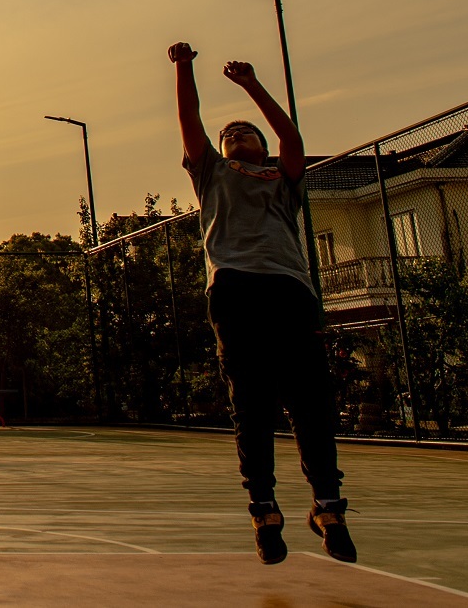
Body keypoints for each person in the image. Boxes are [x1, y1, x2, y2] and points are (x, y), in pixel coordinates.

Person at [168, 42, 354, 565]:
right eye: (231, 135)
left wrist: (252, 85)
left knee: (309, 401)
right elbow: (189, 120)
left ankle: (327, 503)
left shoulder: (281, 177)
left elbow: (291, 137)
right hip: (234, 287)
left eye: (246, 132)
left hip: (289, 289)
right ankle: (264, 506)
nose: (238, 136)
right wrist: (184, 68)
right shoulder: (212, 174)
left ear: (261, 146)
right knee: (250, 402)